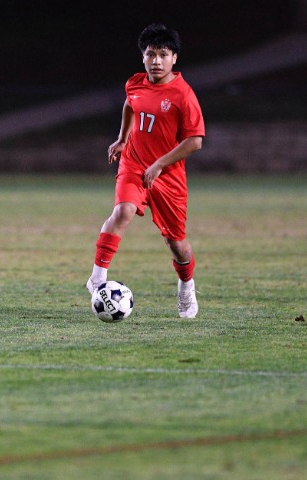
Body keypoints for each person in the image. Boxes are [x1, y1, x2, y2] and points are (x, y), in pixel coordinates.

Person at [86, 23, 205, 318]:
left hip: (168, 176)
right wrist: (122, 138)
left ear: (174, 58)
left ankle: (186, 286)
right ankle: (97, 279)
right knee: (123, 211)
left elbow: (195, 141)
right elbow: (130, 105)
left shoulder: (183, 95)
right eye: (150, 54)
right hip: (134, 163)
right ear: (143, 57)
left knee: (176, 244)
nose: (156, 61)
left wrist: (160, 164)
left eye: (163, 54)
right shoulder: (135, 83)